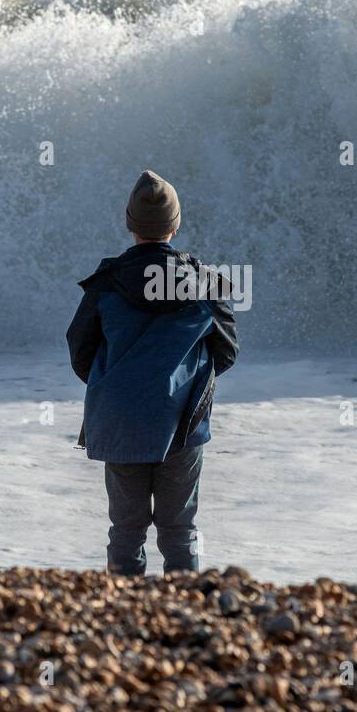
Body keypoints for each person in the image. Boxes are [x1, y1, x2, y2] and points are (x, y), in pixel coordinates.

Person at [66, 170, 238, 575]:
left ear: (130, 225)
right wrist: (185, 380)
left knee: (125, 528)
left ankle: (125, 612)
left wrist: (118, 382)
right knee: (180, 527)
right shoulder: (205, 284)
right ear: (175, 226)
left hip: (120, 417)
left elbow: (80, 350)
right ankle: (183, 613)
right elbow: (227, 352)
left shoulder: (105, 284)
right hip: (182, 418)